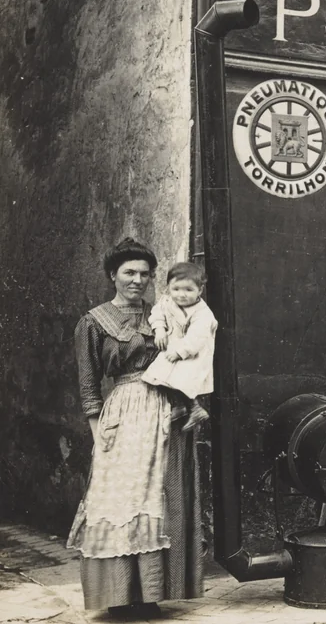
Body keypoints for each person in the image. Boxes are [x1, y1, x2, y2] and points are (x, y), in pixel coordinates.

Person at [67, 238, 204, 616]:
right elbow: (89, 385)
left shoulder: (165, 314)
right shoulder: (94, 322)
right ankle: (118, 596)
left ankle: (150, 593)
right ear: (113, 275)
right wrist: (100, 436)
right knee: (121, 499)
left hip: (166, 412)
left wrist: (187, 402)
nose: (137, 280)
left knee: (162, 496)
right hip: (124, 414)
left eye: (145, 274)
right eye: (129, 272)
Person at [142, 262, 217, 430]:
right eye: (176, 289)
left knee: (182, 378)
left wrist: (180, 351)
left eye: (188, 290)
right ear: (168, 287)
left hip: (193, 353)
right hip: (173, 345)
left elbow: (197, 338)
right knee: (160, 375)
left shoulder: (203, 313)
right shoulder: (167, 301)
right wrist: (159, 329)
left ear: (200, 290)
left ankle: (194, 408)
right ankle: (182, 407)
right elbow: (157, 313)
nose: (181, 295)